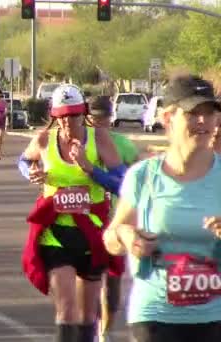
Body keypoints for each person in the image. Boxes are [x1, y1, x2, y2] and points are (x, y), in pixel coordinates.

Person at [103, 75, 221, 342]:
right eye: (193, 113)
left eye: (209, 113)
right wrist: (126, 235)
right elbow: (111, 238)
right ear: (168, 118)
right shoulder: (143, 176)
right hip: (155, 314)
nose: (203, 121)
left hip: (215, 316)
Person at [19, 84, 124, 342]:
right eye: (62, 116)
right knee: (66, 310)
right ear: (55, 115)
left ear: (83, 113)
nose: (68, 121)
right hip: (56, 235)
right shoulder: (44, 140)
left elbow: (123, 183)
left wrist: (91, 170)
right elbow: (23, 160)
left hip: (92, 235)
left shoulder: (98, 138)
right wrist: (31, 173)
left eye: (74, 115)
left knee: (88, 315)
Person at [85, 95, 140, 342]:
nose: (98, 123)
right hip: (88, 219)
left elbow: (134, 184)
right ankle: (92, 328)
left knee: (113, 284)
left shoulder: (124, 145)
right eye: (93, 118)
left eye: (102, 118)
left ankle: (105, 331)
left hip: (118, 220)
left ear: (110, 118)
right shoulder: (80, 144)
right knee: (89, 279)